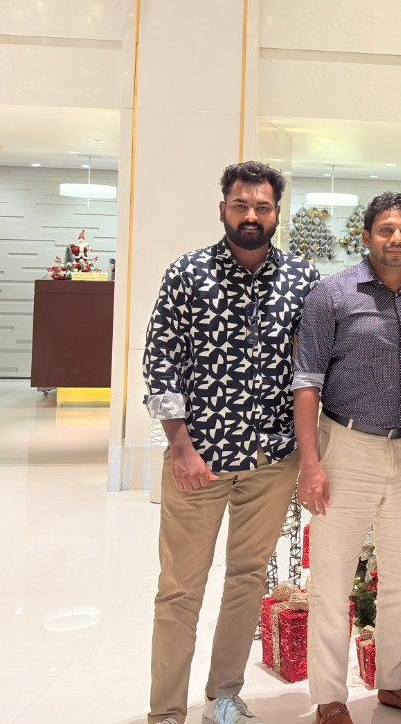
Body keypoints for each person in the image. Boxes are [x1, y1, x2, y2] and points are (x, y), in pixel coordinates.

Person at [143, 161, 319, 724]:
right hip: (199, 460)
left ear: (276, 213)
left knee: (246, 580)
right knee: (180, 588)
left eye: (262, 207)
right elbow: (160, 362)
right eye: (241, 205)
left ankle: (224, 696)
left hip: (271, 462)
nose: (251, 216)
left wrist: (308, 455)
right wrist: (180, 448)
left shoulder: (302, 279)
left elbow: (311, 370)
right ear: (223, 208)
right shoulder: (187, 273)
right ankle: (166, 711)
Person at [292, 193, 401, 724]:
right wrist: (310, 464)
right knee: (332, 581)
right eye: (385, 229)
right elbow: (307, 381)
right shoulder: (332, 295)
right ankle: (330, 698)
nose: (396, 239)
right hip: (347, 446)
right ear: (366, 236)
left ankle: (396, 683)